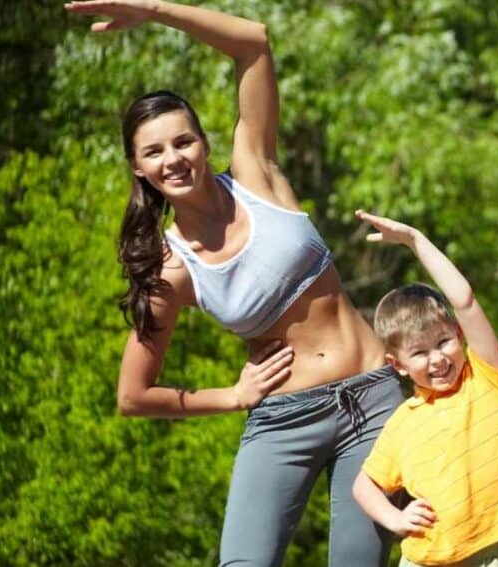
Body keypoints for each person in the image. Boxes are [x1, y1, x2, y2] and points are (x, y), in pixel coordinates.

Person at [64, 1, 403, 565]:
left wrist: (151, 10)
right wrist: (232, 396)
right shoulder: (170, 271)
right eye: (154, 151)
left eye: (183, 141)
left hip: (372, 398)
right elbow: (133, 395)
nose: (173, 158)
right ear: (137, 167)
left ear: (204, 142)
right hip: (283, 420)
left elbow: (254, 42)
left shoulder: (256, 171)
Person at [350, 210, 498, 567]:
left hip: (496, 558)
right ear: (399, 366)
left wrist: (415, 241)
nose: (437, 359)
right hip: (426, 560)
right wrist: (395, 519)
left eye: (443, 343)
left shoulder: (487, 380)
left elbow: (465, 301)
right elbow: (363, 486)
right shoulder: (404, 422)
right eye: (420, 353)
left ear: (459, 336)